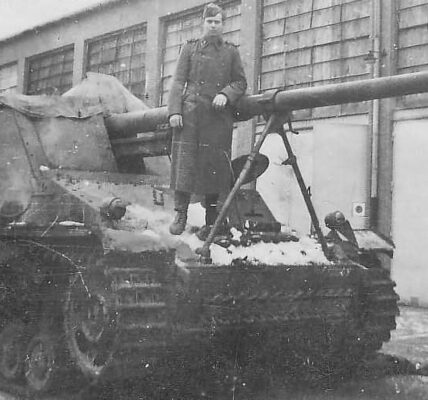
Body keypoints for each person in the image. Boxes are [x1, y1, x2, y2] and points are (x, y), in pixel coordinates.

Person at [167, 2, 247, 237]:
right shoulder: (189, 49)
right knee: (184, 167)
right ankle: (180, 214)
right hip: (190, 117)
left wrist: (225, 94)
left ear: (223, 25)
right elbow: (178, 82)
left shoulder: (231, 51)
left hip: (216, 119)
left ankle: (211, 221)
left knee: (214, 171)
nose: (213, 26)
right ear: (203, 24)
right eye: (209, 22)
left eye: (218, 22)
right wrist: (174, 111)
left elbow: (240, 82)